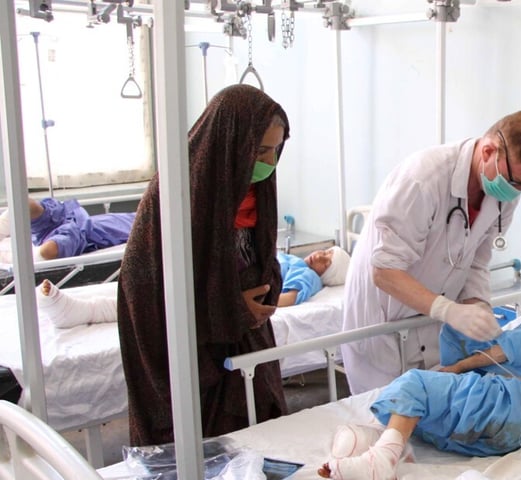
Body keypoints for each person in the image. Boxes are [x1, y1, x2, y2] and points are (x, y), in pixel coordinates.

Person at [340, 111, 521, 395]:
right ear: (488, 150)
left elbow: (477, 259)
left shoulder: (505, 194)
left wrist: (478, 304)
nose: (516, 191)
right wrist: (448, 310)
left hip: (428, 328)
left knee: (426, 415)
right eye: (513, 180)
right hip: (383, 326)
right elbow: (384, 272)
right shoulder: (422, 180)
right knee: (384, 415)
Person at [118, 84, 291, 446]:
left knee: (263, 444)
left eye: (276, 150)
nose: (269, 163)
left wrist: (265, 291)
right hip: (199, 359)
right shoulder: (176, 194)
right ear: (232, 143)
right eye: (260, 150)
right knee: (211, 459)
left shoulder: (256, 189)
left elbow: (261, 257)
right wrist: (229, 309)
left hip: (248, 344)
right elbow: (143, 290)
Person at [319, 317, 521, 480]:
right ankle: (390, 445)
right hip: (506, 433)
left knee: (415, 383)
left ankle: (382, 459)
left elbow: (502, 350)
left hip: (501, 400)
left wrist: (457, 367)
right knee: (426, 408)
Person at [36, 247, 347, 328]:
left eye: (327, 260)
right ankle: (78, 305)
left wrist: (241, 303)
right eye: (326, 251)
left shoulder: (309, 279)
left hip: (237, 294)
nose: (320, 255)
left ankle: (76, 312)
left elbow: (286, 299)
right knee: (145, 290)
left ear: (328, 275)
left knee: (157, 303)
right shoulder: (295, 259)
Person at [0, 196, 135, 261]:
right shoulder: (147, 218)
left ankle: (9, 254)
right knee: (26, 205)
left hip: (87, 232)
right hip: (88, 227)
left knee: (50, 250)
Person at [276, 246, 349, 307]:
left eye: (326, 264)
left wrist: (265, 302)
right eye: (325, 253)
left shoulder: (310, 275)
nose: (318, 257)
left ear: (327, 276)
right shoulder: (298, 261)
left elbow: (291, 298)